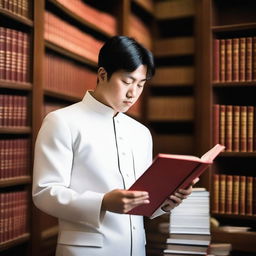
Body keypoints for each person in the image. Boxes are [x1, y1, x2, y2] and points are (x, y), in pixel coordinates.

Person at [32, 36, 198, 256]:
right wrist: (102, 202)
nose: (133, 93)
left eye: (141, 84)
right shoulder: (62, 121)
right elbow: (44, 193)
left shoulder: (141, 133)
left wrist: (166, 202)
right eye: (127, 82)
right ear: (102, 74)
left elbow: (141, 199)